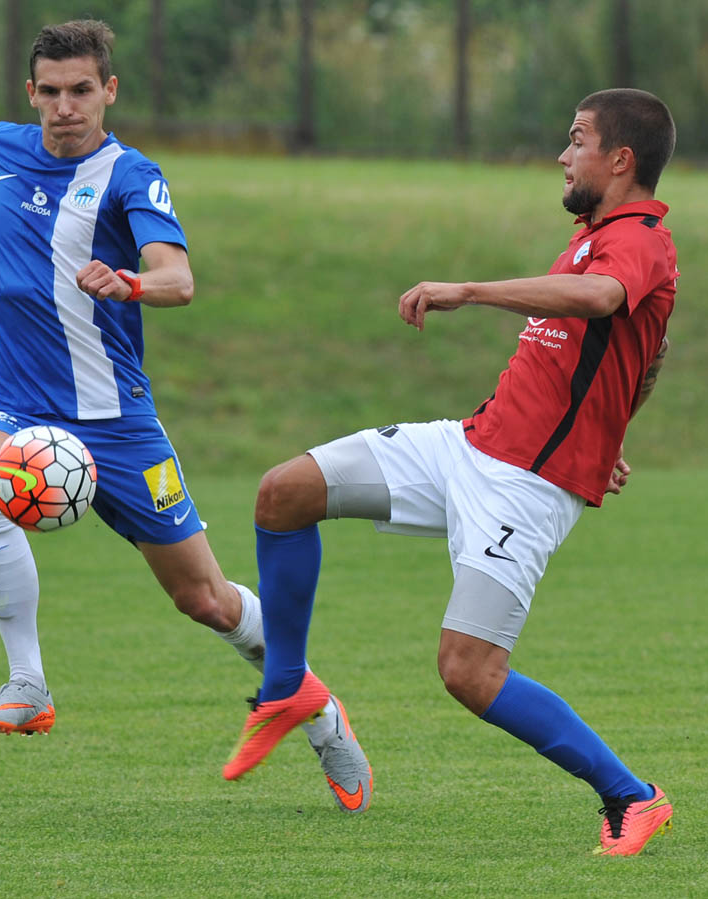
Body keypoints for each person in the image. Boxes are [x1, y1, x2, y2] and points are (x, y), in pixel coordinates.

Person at [0, 21, 359, 806]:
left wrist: (129, 283)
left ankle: (317, 707)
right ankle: (27, 682)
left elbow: (179, 279)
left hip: (115, 420)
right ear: (31, 94)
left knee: (204, 598)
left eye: (81, 90)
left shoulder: (132, 176)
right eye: (51, 92)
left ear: (110, 91)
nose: (65, 107)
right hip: (16, 399)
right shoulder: (0, 146)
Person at [223, 88, 678, 855]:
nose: (563, 155)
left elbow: (603, 300)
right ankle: (287, 686)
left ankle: (633, 794)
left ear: (621, 159)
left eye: (577, 140)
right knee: (284, 492)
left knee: (470, 671)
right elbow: (644, 350)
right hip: (467, 444)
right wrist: (607, 428)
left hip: (524, 488)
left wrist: (468, 290)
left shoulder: (640, 239)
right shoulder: (593, 236)